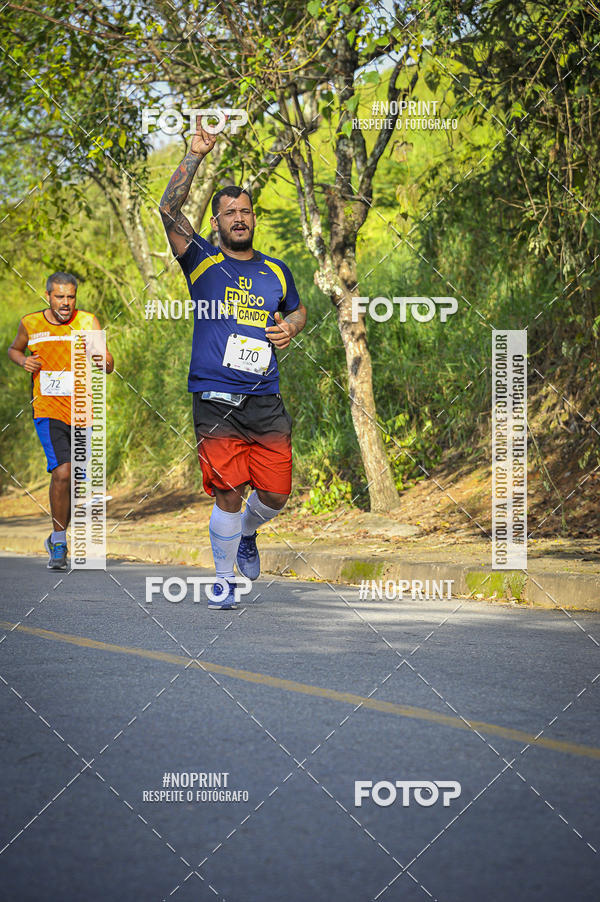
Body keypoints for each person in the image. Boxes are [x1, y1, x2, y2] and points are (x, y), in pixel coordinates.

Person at [159, 119, 306, 610]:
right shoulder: (199, 258)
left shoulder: (276, 270)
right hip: (215, 394)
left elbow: (297, 307)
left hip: (265, 397)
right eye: (229, 213)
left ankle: (247, 534)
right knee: (227, 490)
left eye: (245, 211)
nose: (238, 218)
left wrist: (294, 326)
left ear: (253, 218)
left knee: (277, 493)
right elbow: (169, 208)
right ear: (217, 222)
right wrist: (196, 153)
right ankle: (223, 580)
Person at [8, 273, 114, 570]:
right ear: (48, 296)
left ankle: (57, 535)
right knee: (63, 473)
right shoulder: (31, 323)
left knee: (77, 481)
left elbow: (107, 362)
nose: (65, 303)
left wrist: (102, 359)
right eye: (59, 297)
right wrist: (23, 360)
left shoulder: (87, 321)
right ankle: (59, 541)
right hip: (48, 409)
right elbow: (14, 349)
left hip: (82, 410)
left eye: (70, 297)